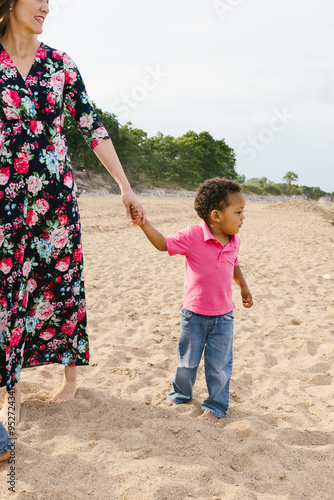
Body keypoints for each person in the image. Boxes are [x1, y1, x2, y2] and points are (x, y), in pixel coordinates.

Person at [0, 0, 145, 427]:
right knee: (7, 286)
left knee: (59, 281)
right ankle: (13, 386)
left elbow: (91, 125)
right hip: (5, 198)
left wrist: (124, 185)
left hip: (55, 198)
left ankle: (69, 376)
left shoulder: (59, 64)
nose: (46, 6)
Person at [131, 178, 253, 423]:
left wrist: (243, 286)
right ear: (216, 215)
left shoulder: (234, 240)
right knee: (187, 361)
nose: (242, 218)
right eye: (238, 212)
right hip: (193, 315)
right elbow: (163, 244)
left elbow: (234, 264)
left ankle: (216, 407)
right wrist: (144, 224)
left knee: (219, 366)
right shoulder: (193, 235)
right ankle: (181, 394)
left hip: (223, 317)